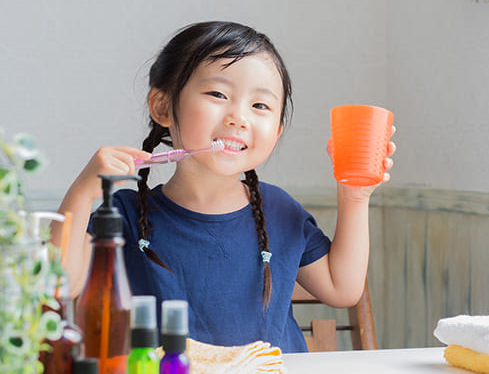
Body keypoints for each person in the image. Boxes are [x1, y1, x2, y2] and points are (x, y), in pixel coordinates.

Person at [51, 21, 396, 353]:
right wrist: (81, 192)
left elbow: (342, 288)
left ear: (275, 132)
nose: (239, 117)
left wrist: (355, 195)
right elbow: (60, 285)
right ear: (162, 107)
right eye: (218, 93)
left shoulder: (279, 210)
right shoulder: (125, 214)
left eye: (260, 105)